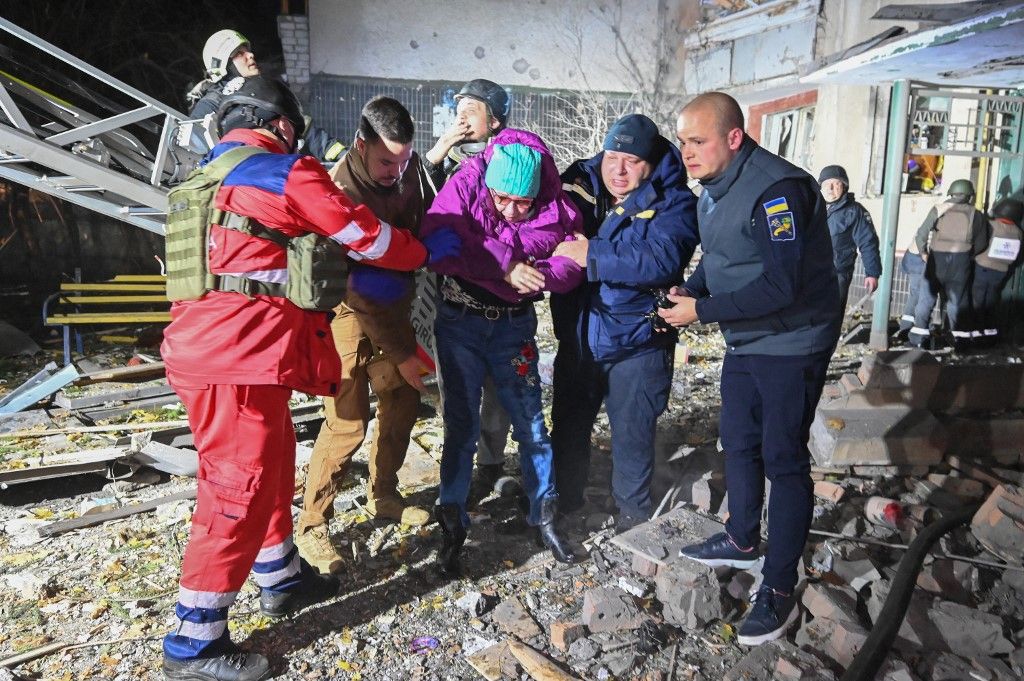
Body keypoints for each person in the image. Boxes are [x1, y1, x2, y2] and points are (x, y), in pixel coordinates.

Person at [159, 76, 459, 681]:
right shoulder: (282, 172)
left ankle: (280, 576)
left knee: (269, 464)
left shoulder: (205, 176)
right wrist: (421, 253)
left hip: (229, 353)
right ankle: (194, 643)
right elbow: (364, 239)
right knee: (237, 487)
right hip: (235, 357)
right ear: (284, 126)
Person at [661, 92, 840, 647]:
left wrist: (702, 311)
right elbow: (722, 257)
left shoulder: (777, 190)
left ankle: (780, 587)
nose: (686, 153)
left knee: (783, 460)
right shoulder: (714, 187)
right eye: (682, 142)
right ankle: (742, 538)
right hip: (748, 337)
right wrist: (690, 289)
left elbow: (781, 285)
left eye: (698, 141)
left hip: (791, 340)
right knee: (738, 441)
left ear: (733, 138)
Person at [419, 128, 584, 576]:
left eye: (522, 204)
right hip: (460, 325)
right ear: (487, 183)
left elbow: (573, 257)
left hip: (514, 329)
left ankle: (544, 517)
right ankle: (451, 527)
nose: (510, 211)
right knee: (460, 426)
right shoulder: (465, 183)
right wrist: (506, 266)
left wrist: (538, 275)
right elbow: (439, 241)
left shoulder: (556, 199)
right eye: (501, 199)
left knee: (531, 423)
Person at [295, 97, 437, 575]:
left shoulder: (406, 168)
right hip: (349, 308)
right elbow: (358, 288)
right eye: (384, 161)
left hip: (396, 303)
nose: (394, 171)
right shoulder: (338, 189)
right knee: (347, 422)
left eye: (403, 160)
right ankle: (313, 527)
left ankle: (385, 494)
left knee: (402, 401)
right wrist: (401, 351)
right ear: (361, 145)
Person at [549, 114, 699, 530]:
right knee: (567, 430)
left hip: (638, 344)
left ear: (651, 162)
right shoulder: (579, 184)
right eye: (611, 156)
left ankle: (632, 519)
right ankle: (565, 505)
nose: (617, 169)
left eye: (631, 161)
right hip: (579, 340)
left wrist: (590, 255)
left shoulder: (676, 202)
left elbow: (660, 260)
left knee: (632, 438)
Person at [422, 78, 514, 497]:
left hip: (504, 306)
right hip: (457, 308)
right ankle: (455, 483)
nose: (461, 116)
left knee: (498, 399)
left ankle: (491, 464)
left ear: (494, 120)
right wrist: (437, 155)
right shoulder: (455, 167)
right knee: (458, 400)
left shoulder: (514, 162)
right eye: (458, 108)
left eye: (471, 109)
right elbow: (425, 209)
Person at [187, 30, 344, 163]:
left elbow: (302, 127)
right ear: (222, 66)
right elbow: (195, 150)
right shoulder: (210, 105)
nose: (250, 55)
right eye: (239, 53)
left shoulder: (260, 90)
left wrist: (342, 156)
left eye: (247, 50)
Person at [908, 179, 988, 351]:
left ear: (951, 193)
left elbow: (921, 234)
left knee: (926, 298)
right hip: (961, 263)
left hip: (936, 260)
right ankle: (960, 341)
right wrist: (968, 255)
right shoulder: (977, 214)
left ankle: (918, 338)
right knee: (957, 302)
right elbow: (982, 243)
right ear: (969, 196)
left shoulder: (939, 209)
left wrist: (924, 254)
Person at [818, 165, 881, 313]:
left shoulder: (855, 211)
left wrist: (872, 273)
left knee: (831, 316)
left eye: (836, 183)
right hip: (810, 271)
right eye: (826, 184)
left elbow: (868, 242)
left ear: (844, 186)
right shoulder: (814, 207)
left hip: (837, 274)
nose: (830, 188)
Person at [972, 198, 1023, 347]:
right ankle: (989, 337)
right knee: (991, 303)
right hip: (1001, 272)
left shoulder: (991, 225)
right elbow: (1018, 257)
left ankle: (975, 336)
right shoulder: (1018, 233)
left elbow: (979, 243)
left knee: (977, 302)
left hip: (982, 267)